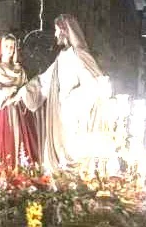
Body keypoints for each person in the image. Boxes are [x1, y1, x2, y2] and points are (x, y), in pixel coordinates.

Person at [19, 14, 106, 171]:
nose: (54, 34)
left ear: (65, 32)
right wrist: (24, 91)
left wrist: (71, 101)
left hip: (75, 115)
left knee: (74, 151)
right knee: (59, 151)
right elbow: (45, 80)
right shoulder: (62, 57)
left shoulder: (78, 55)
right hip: (60, 113)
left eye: (56, 30)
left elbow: (95, 84)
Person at [0, 35, 39, 167]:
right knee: (3, 140)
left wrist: (21, 95)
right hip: (2, 112)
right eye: (6, 46)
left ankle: (20, 168)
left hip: (17, 111)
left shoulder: (19, 70)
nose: (9, 49)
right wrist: (8, 91)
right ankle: (3, 169)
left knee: (20, 141)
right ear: (1, 48)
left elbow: (26, 87)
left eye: (12, 47)